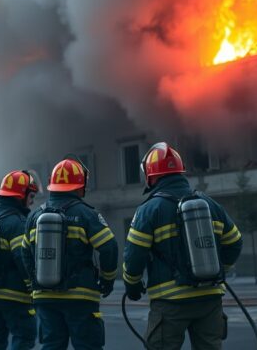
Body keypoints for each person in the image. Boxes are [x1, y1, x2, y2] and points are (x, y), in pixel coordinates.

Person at [124, 142, 242, 350]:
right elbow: (235, 242)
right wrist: (216, 268)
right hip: (210, 298)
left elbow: (134, 256)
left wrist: (132, 285)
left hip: (170, 302)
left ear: (151, 175)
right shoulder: (210, 204)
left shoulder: (149, 209)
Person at [23, 158, 118, 350]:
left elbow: (25, 253)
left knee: (51, 345)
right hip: (80, 296)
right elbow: (109, 248)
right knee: (87, 346)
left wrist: (34, 281)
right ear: (79, 185)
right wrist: (107, 279)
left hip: (44, 296)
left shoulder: (34, 217)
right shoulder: (86, 214)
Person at [0, 170, 38, 350]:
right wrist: (32, 286)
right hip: (13, 295)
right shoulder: (17, 223)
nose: (32, 201)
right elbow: (22, 257)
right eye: (31, 196)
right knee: (24, 337)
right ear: (21, 196)